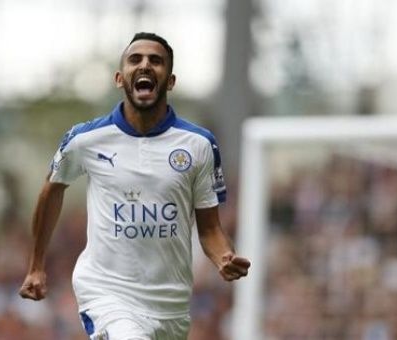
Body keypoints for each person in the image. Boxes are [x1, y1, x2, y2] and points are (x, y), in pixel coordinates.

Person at [19, 32, 250, 339]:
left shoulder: (199, 145)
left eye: (156, 61)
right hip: (107, 294)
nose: (145, 65)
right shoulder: (85, 139)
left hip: (172, 305)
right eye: (135, 59)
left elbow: (209, 230)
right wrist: (36, 265)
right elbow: (52, 189)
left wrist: (223, 257)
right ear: (120, 78)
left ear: (170, 81)